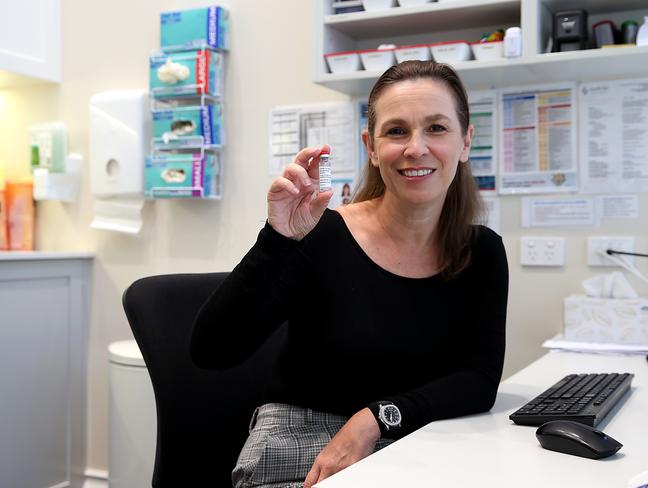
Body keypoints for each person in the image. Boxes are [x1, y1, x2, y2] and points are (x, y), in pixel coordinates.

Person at [191, 60, 509, 488]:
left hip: (412, 443)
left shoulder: (481, 252)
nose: (416, 148)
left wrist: (377, 418)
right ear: (372, 148)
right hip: (300, 451)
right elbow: (212, 350)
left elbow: (479, 381)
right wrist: (278, 240)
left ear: (465, 142)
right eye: (396, 131)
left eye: (436, 128)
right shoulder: (321, 235)